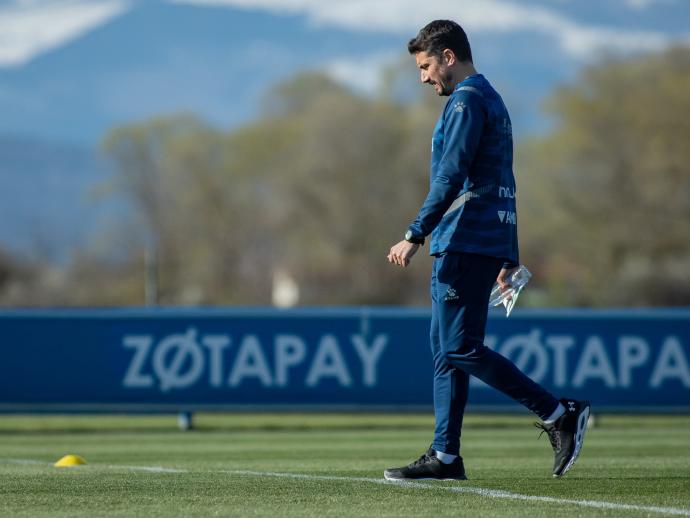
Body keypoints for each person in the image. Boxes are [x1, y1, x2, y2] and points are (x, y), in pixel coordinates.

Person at [385, 19, 590, 480]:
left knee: (458, 347)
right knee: (445, 350)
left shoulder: (465, 102)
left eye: (425, 66)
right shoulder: (492, 99)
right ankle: (445, 457)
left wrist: (415, 234)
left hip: (462, 240)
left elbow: (451, 177)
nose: (423, 77)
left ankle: (559, 413)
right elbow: (503, 182)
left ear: (449, 57)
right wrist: (508, 255)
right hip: (481, 240)